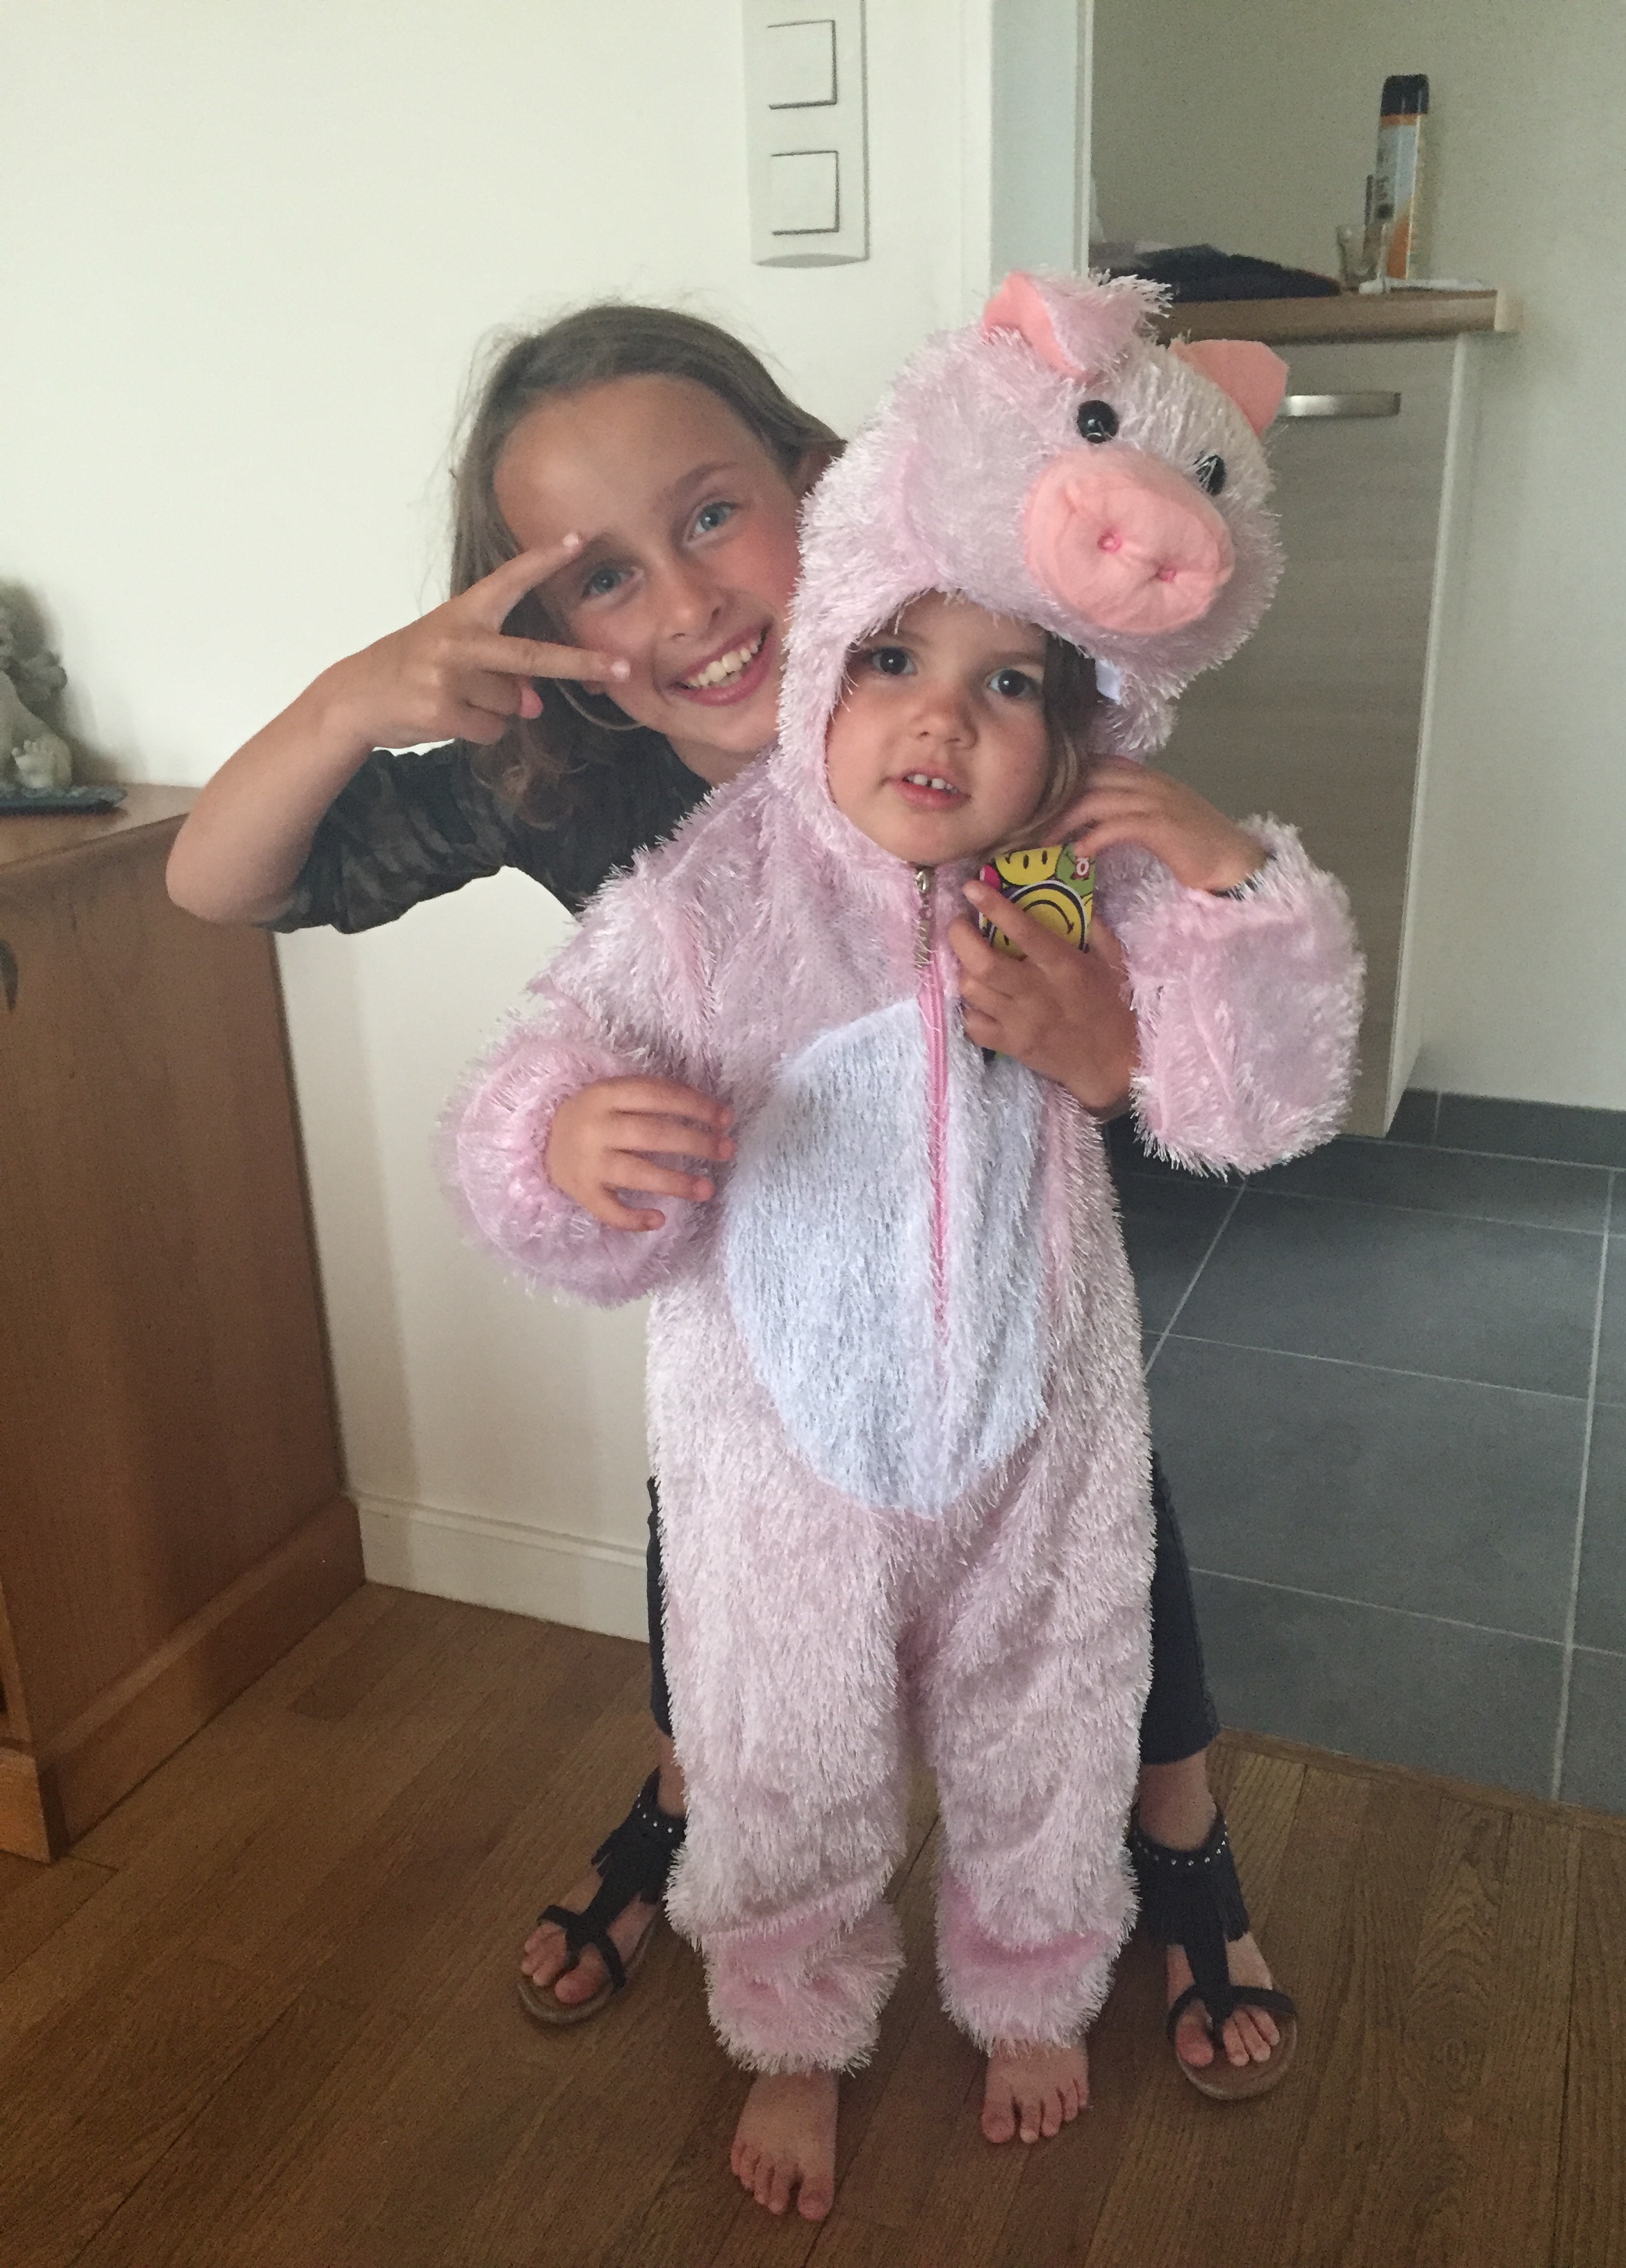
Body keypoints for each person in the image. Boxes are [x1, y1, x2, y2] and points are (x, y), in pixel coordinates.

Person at [166, 293, 1312, 2112]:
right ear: (556, 635)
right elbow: (217, 884)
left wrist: (1109, 1055)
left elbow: (1196, 1033)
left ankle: (1170, 1818)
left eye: (712, 515)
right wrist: (351, 702)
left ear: (815, 478)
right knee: (724, 1573)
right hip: (755, 1319)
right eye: (604, 578)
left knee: (1094, 1543)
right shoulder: (571, 779)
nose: (689, 602)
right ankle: (698, 1799)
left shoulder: (976, 687)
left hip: (1009, 1293)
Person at [443, 270, 1358, 2220]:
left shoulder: (1083, 871)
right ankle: (792, 2027)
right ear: (826, 664)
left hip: (1040, 1446)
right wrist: (564, 1145)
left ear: (1082, 716)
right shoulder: (704, 893)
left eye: (1011, 684)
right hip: (779, 1473)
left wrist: (1227, 881)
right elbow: (533, 1095)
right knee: (782, 1756)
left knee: (1054, 1725)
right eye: (892, 663)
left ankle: (1037, 1979)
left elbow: (1254, 1104)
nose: (943, 716)